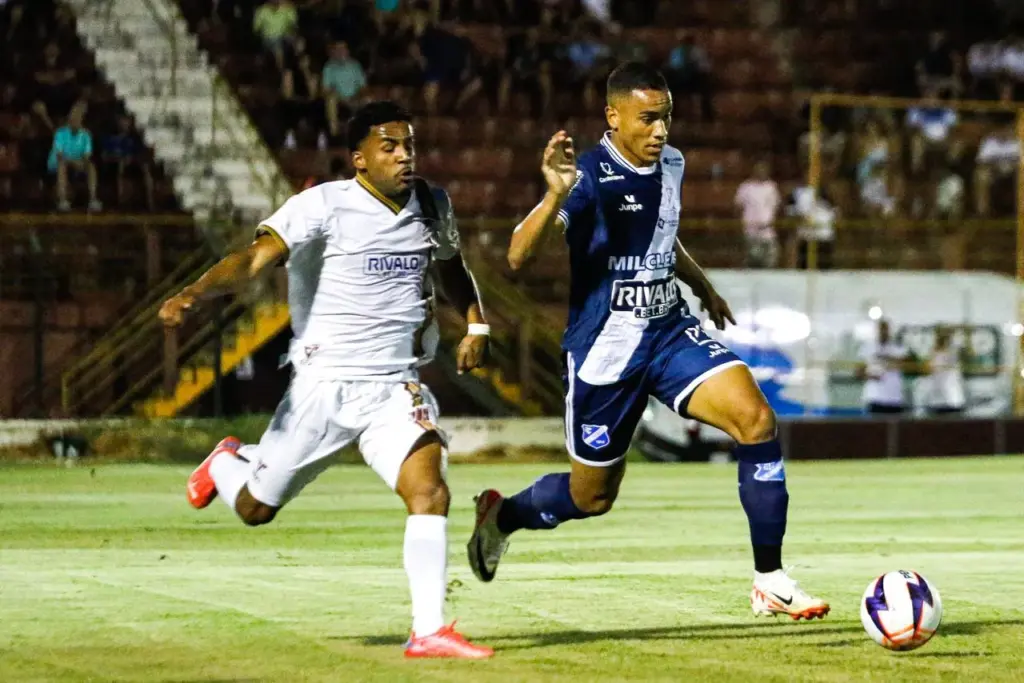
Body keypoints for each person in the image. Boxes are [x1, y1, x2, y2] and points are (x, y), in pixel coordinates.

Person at [466, 63, 829, 621]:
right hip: (605, 351)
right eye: (648, 119)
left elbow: (664, 233)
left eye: (666, 118)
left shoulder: (672, 164)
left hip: (668, 332)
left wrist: (700, 284)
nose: (661, 131)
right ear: (613, 118)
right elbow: (517, 256)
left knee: (756, 420)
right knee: (592, 498)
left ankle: (770, 579)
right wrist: (552, 195)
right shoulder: (586, 177)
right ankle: (503, 516)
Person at [158, 101, 494, 659]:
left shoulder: (433, 203)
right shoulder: (323, 205)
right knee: (256, 510)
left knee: (429, 492)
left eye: (409, 144)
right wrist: (194, 292)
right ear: (359, 158)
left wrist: (477, 323)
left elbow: (452, 266)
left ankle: (428, 629)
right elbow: (253, 257)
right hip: (322, 386)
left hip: (394, 385)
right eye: (389, 147)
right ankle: (224, 462)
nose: (404, 155)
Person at [48, 101, 101, 212]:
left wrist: (81, 163)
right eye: (72, 117)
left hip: (78, 163)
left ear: (82, 120)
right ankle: (63, 201)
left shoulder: (86, 135)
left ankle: (93, 199)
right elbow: (60, 156)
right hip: (57, 164)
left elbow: (87, 156)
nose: (74, 120)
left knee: (91, 166)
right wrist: (73, 162)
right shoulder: (60, 133)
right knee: (62, 165)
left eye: (77, 117)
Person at [857, 318, 911, 415]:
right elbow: (858, 372)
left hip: (894, 398)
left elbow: (903, 365)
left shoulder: (898, 348)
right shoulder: (867, 348)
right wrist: (870, 376)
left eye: (886, 329)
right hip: (875, 398)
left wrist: (885, 359)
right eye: (881, 329)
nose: (883, 332)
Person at [734, 160, 781, 269]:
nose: (761, 171)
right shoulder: (745, 187)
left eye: (764, 169)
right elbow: (738, 207)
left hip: (767, 231)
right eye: (759, 169)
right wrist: (742, 225)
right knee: (750, 260)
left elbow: (776, 207)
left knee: (770, 260)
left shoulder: (771, 187)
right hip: (750, 230)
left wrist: (771, 223)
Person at [922, 325, 967, 416]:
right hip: (936, 399)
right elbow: (928, 370)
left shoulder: (954, 351)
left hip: (953, 399)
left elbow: (966, 351)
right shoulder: (933, 352)